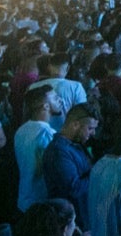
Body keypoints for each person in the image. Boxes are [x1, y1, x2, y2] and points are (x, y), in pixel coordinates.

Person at [43, 104, 98, 225]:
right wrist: (97, 172)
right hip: (74, 223)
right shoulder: (58, 152)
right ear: (75, 125)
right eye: (90, 128)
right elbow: (74, 189)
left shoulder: (76, 144)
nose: (93, 133)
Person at [14, 83, 58, 213]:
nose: (59, 100)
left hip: (25, 197)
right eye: (55, 98)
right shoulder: (47, 133)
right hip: (41, 200)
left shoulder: (21, 130)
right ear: (45, 106)